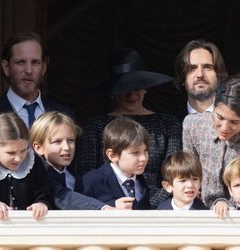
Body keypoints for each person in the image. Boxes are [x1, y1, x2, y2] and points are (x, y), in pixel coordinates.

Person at [75, 48, 182, 208]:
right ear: (113, 92)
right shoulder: (95, 127)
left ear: (146, 87)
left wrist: (146, 206)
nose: (131, 94)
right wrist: (112, 205)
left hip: (160, 210)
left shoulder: (167, 124)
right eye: (124, 88)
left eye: (136, 86)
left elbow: (175, 171)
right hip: (110, 209)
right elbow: (87, 176)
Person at [30, 111, 117, 210]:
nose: (66, 147)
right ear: (38, 148)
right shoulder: (40, 174)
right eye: (57, 141)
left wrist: (114, 203)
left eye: (71, 140)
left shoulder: (73, 174)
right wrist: (103, 208)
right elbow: (63, 197)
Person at [0, 31, 73, 128]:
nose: (29, 71)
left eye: (35, 62)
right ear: (6, 67)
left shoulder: (64, 114)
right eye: (20, 62)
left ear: (44, 67)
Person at [183, 75, 240, 208]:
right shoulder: (193, 125)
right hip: (198, 211)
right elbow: (188, 172)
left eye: (235, 122)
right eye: (219, 117)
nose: (225, 128)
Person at [80, 117, 151, 209]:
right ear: (112, 155)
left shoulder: (140, 181)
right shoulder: (92, 181)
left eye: (146, 151)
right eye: (135, 153)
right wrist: (111, 206)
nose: (144, 158)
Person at [0, 112, 50, 220]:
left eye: (23, 151)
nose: (18, 158)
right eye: (11, 153)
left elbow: (43, 193)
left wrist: (41, 204)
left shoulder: (34, 163)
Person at [174, 39, 228, 122]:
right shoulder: (169, 124)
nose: (200, 74)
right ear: (182, 78)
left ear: (219, 75)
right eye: (192, 68)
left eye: (207, 67)